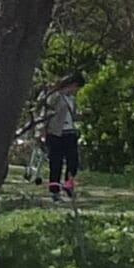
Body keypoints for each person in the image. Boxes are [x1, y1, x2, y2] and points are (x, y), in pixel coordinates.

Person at [42, 72, 85, 201]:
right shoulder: (54, 96)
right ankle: (54, 191)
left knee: (73, 162)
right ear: (71, 84)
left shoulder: (71, 98)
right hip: (55, 132)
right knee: (56, 163)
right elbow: (45, 114)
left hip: (69, 132)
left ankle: (68, 185)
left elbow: (70, 114)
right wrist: (43, 131)